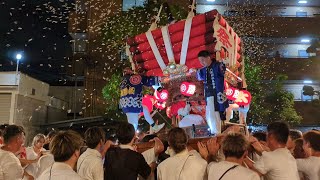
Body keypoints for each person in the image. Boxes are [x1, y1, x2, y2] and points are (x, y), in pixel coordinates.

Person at [119, 67, 165, 133]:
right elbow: (147, 81)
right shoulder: (134, 78)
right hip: (132, 105)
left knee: (145, 109)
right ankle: (130, 138)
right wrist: (159, 79)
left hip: (127, 104)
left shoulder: (122, 82)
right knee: (133, 125)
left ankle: (154, 126)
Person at [196, 50, 228, 134]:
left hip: (217, 93)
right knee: (210, 114)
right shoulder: (204, 69)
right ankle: (214, 132)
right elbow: (199, 77)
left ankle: (216, 133)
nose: (201, 63)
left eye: (203, 60)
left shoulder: (217, 65)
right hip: (209, 94)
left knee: (216, 113)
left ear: (208, 57)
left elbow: (224, 71)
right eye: (200, 61)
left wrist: (223, 64)